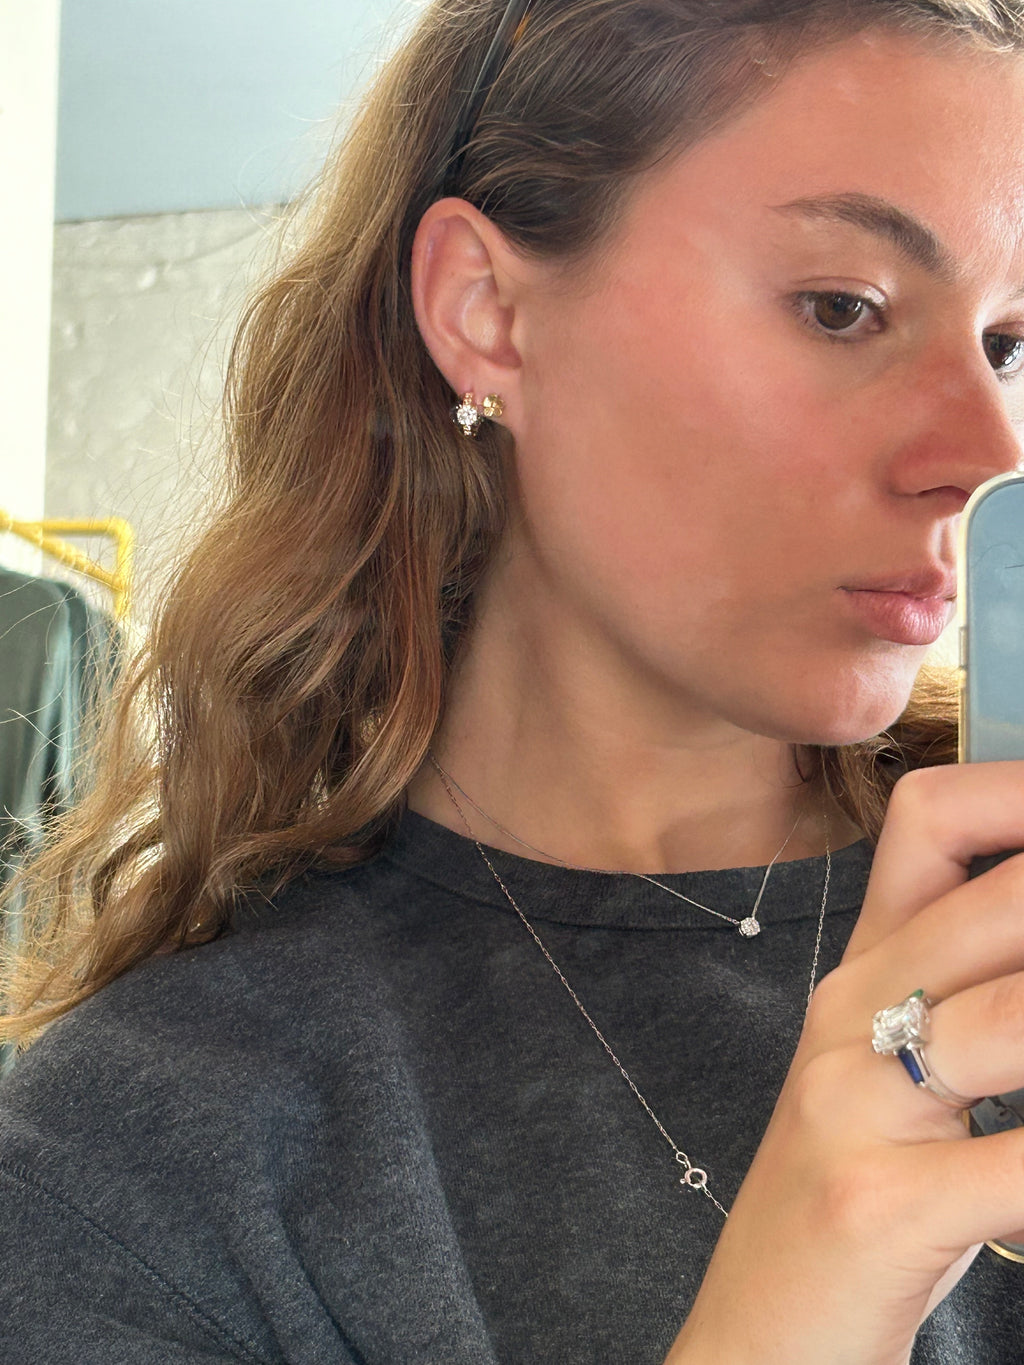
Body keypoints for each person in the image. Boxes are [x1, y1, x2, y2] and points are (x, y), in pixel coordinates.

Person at [3, 0, 1024, 1359]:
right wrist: (807, 1290)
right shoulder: (136, 1164)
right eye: (845, 307)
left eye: (1009, 342)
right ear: (487, 313)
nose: (985, 440)